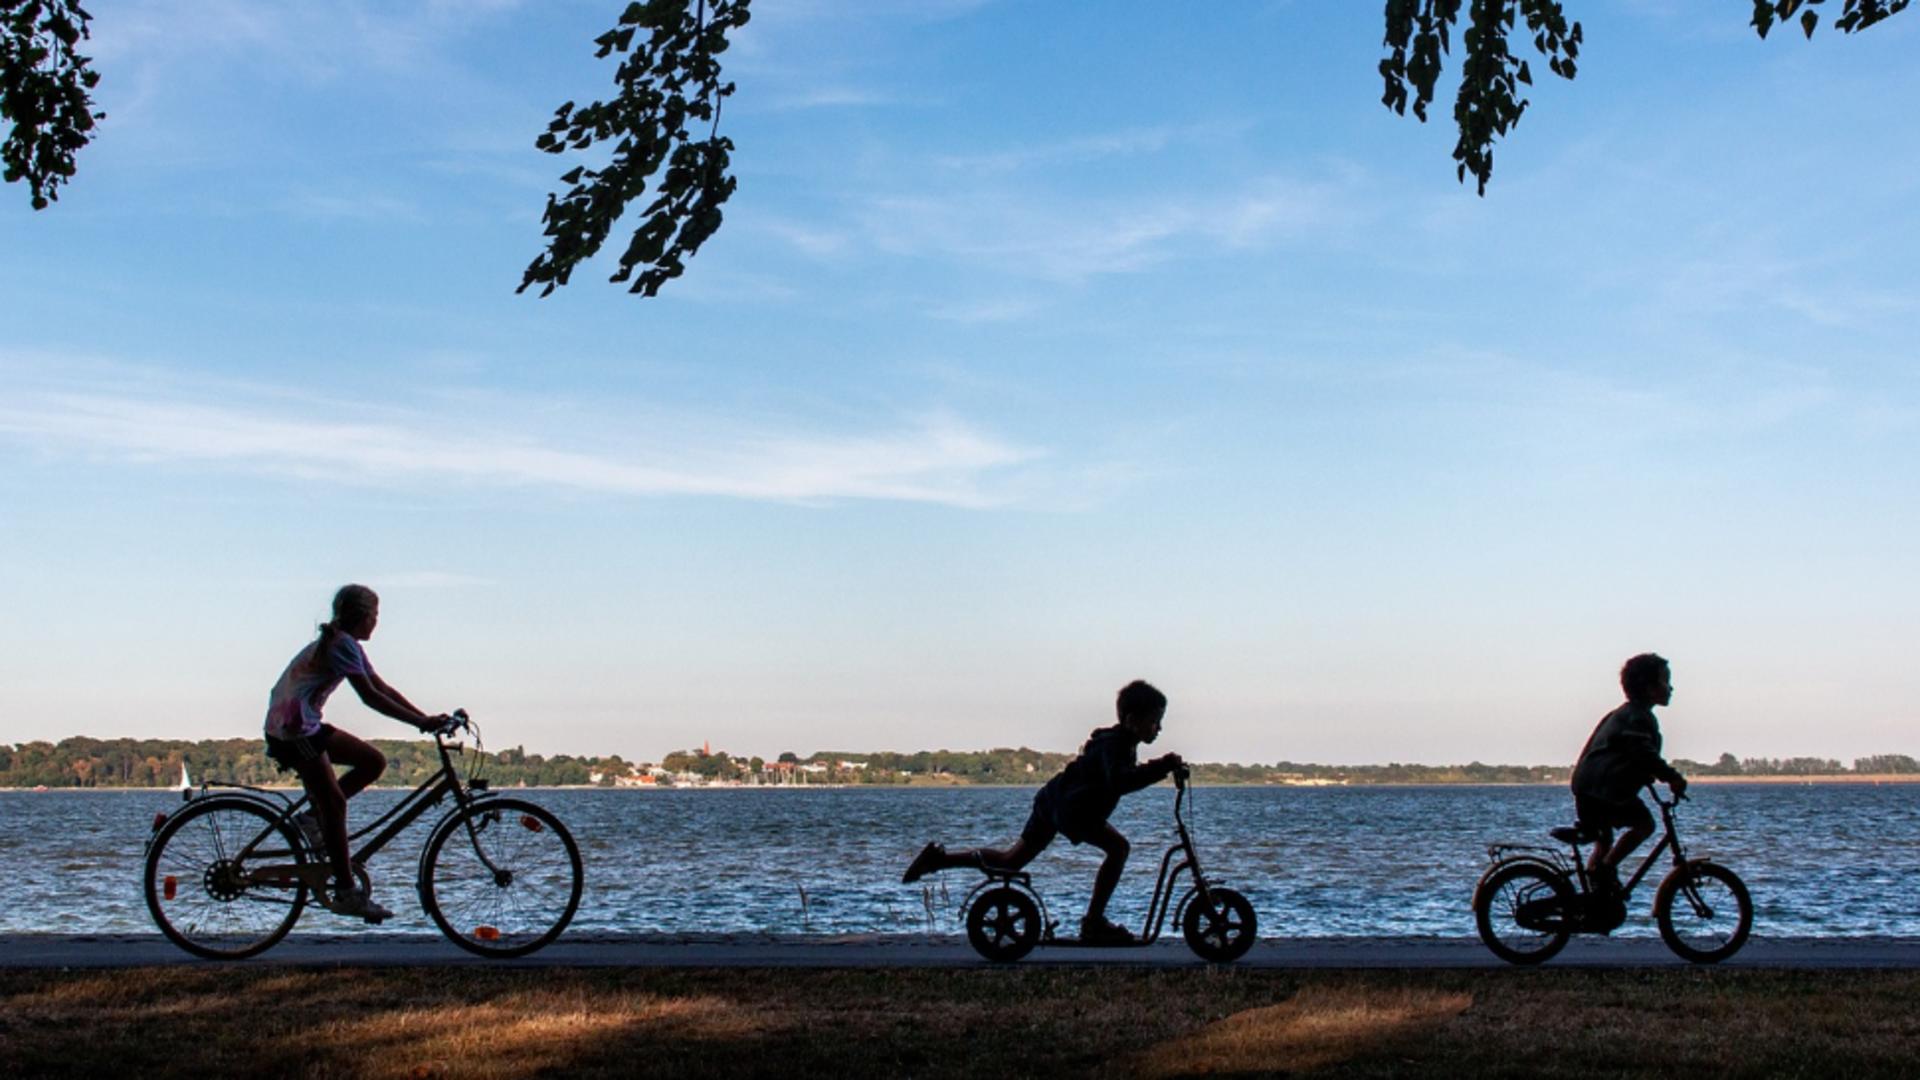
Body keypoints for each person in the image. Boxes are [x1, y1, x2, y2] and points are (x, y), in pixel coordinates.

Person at [901, 679, 1184, 944]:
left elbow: (1123, 777)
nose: (1158, 728)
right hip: (1072, 808)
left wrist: (1161, 767)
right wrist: (1162, 767)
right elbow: (1121, 781)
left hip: (1053, 801)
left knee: (1010, 861)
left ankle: (940, 860)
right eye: (1154, 721)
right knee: (1119, 849)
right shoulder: (1114, 745)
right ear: (1133, 720)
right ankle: (1093, 922)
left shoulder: (1118, 743)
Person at [264, 584, 451, 922]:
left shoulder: (346, 643)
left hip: (303, 724)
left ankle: (309, 820)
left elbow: (381, 686)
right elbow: (371, 697)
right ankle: (347, 891)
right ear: (362, 616)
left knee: (373, 761)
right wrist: (420, 723)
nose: (377, 622)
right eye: (375, 615)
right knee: (334, 803)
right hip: (292, 729)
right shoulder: (340, 643)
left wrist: (424, 719)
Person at [1570, 653, 1687, 894]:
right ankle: (1604, 871)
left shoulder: (1622, 714)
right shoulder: (1638, 717)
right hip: (1604, 792)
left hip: (1588, 789)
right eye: (1666, 681)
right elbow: (1643, 753)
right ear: (1649, 688)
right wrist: (1672, 777)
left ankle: (1595, 898)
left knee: (1604, 842)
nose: (1671, 687)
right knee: (1644, 825)